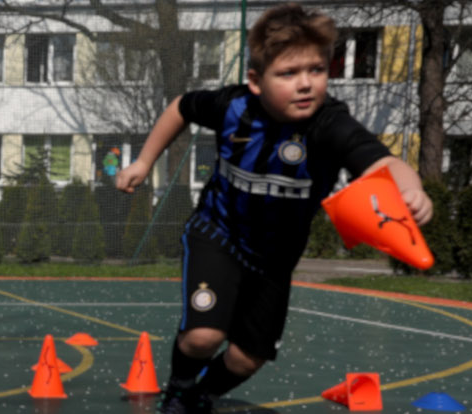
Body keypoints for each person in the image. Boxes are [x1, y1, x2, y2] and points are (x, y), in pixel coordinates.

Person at [115, 3, 433, 413]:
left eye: (316, 70)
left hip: (274, 260)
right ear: (256, 80)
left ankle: (202, 395)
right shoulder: (232, 108)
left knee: (248, 359)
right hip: (217, 234)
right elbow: (181, 106)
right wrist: (144, 161)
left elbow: (383, 162)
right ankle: (180, 388)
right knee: (203, 338)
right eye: (288, 73)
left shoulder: (329, 124)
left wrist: (411, 187)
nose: (305, 84)